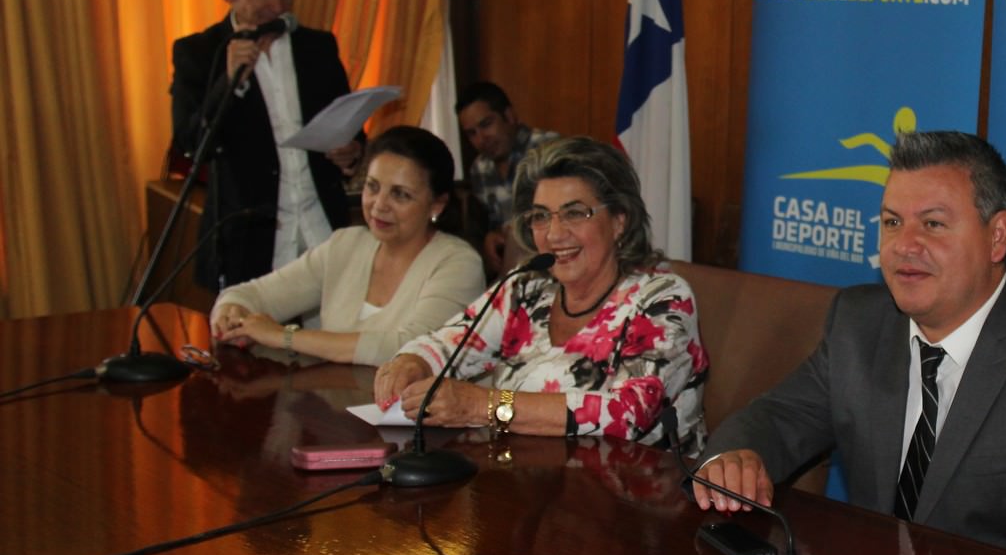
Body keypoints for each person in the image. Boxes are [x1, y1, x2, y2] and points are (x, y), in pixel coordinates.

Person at [692, 130, 1006, 555]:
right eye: (892, 222)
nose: (904, 245)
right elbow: (780, 416)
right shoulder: (858, 322)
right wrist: (735, 456)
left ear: (998, 237)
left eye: (932, 224)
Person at [372, 136, 707, 456]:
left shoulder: (663, 299)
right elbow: (447, 344)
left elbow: (627, 414)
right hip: (532, 487)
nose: (554, 234)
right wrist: (411, 362)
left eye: (575, 213)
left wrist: (483, 405)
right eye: (541, 216)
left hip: (641, 499)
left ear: (619, 220)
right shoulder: (527, 289)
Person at [171, 0, 364, 290]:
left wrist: (352, 150)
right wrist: (227, 82)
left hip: (321, 228)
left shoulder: (318, 47)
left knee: (332, 339)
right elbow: (190, 144)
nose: (277, 6)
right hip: (250, 240)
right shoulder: (198, 53)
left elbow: (348, 122)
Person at [210, 126, 484, 366]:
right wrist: (230, 312)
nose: (379, 205)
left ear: (437, 204)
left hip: (416, 419)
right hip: (337, 415)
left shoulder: (459, 264)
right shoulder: (345, 245)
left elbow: (411, 348)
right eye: (372, 187)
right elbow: (252, 295)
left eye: (400, 194)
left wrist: (285, 336)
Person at [456, 81, 558, 276]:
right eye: (471, 133)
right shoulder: (480, 168)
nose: (481, 138)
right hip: (513, 268)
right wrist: (491, 237)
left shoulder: (549, 149)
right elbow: (493, 224)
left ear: (510, 116)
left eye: (486, 124)